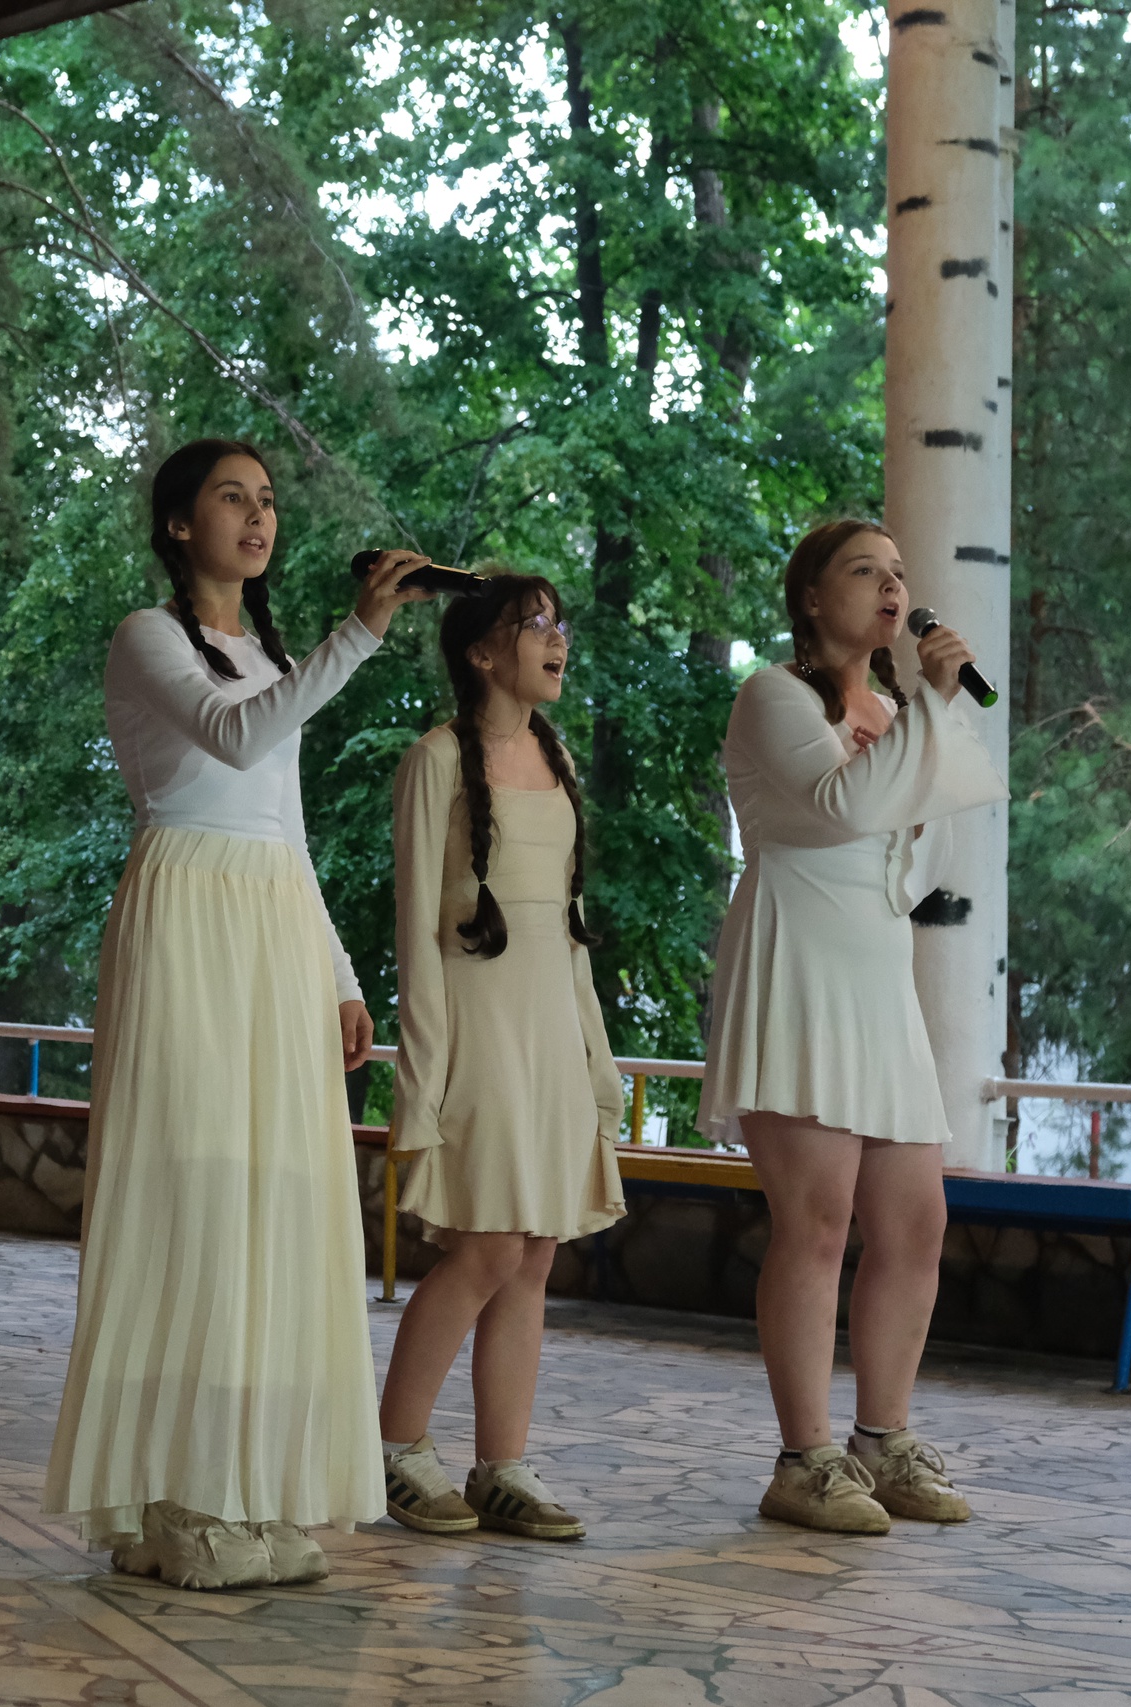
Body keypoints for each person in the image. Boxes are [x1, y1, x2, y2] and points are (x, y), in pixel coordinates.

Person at [41, 438, 432, 1590]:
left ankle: (246, 1482)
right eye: (231, 497)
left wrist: (341, 974)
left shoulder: (270, 656)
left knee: (271, 1203)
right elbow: (231, 736)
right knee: (193, 1198)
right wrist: (359, 634)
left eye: (266, 500)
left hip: (271, 921)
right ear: (178, 524)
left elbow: (286, 829)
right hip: (186, 912)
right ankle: (177, 1496)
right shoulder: (148, 637)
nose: (258, 516)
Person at [698, 519, 1006, 1534]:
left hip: (877, 968)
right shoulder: (773, 695)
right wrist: (925, 713)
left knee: (916, 1222)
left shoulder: (893, 709)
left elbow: (921, 851)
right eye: (864, 571)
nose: (891, 587)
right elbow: (838, 809)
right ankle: (803, 1458)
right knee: (819, 1218)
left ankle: (884, 1438)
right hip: (798, 953)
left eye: (899, 573)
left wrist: (918, 721)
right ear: (811, 597)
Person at [375, 574, 624, 1544]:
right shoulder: (435, 760)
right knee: (483, 1248)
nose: (558, 639)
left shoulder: (556, 757)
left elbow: (569, 934)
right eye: (535, 625)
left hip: (550, 1035)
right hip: (475, 1035)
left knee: (532, 1254)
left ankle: (501, 1467)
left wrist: (596, 1063)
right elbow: (414, 936)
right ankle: (396, 1448)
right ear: (482, 652)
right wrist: (423, 1085)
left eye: (560, 623)